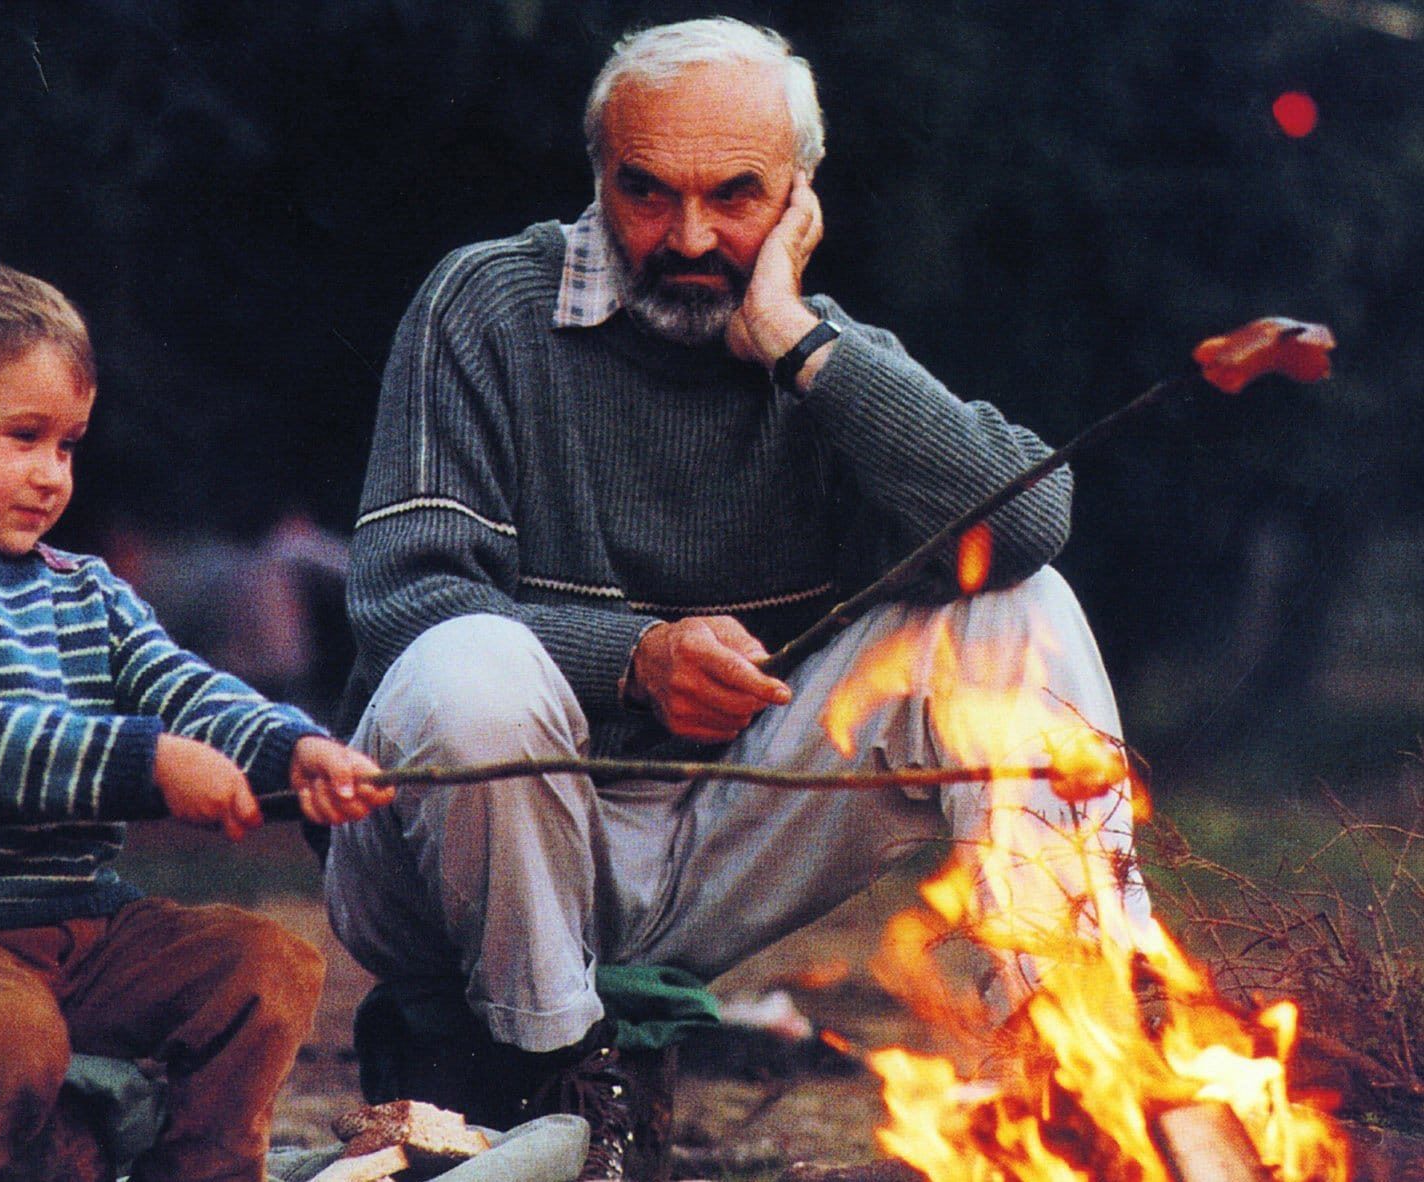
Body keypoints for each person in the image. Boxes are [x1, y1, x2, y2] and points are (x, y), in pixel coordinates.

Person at [324, 17, 1149, 1181]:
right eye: (645, 192)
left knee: (1012, 614)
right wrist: (635, 657)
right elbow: (404, 603)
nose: (688, 236)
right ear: (598, 174)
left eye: (736, 196)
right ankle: (563, 1075)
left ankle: (1084, 1050)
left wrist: (796, 343)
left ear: (799, 200)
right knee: (472, 666)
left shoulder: (822, 358)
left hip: (711, 842)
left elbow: (1022, 526)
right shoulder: (486, 305)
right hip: (454, 846)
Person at [0, 260, 394, 1182]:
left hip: (81, 931)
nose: (51, 475)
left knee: (264, 967)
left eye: (67, 445)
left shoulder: (89, 593)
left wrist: (288, 749)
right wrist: (150, 766)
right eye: (23, 437)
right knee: (9, 1034)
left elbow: (183, 688)